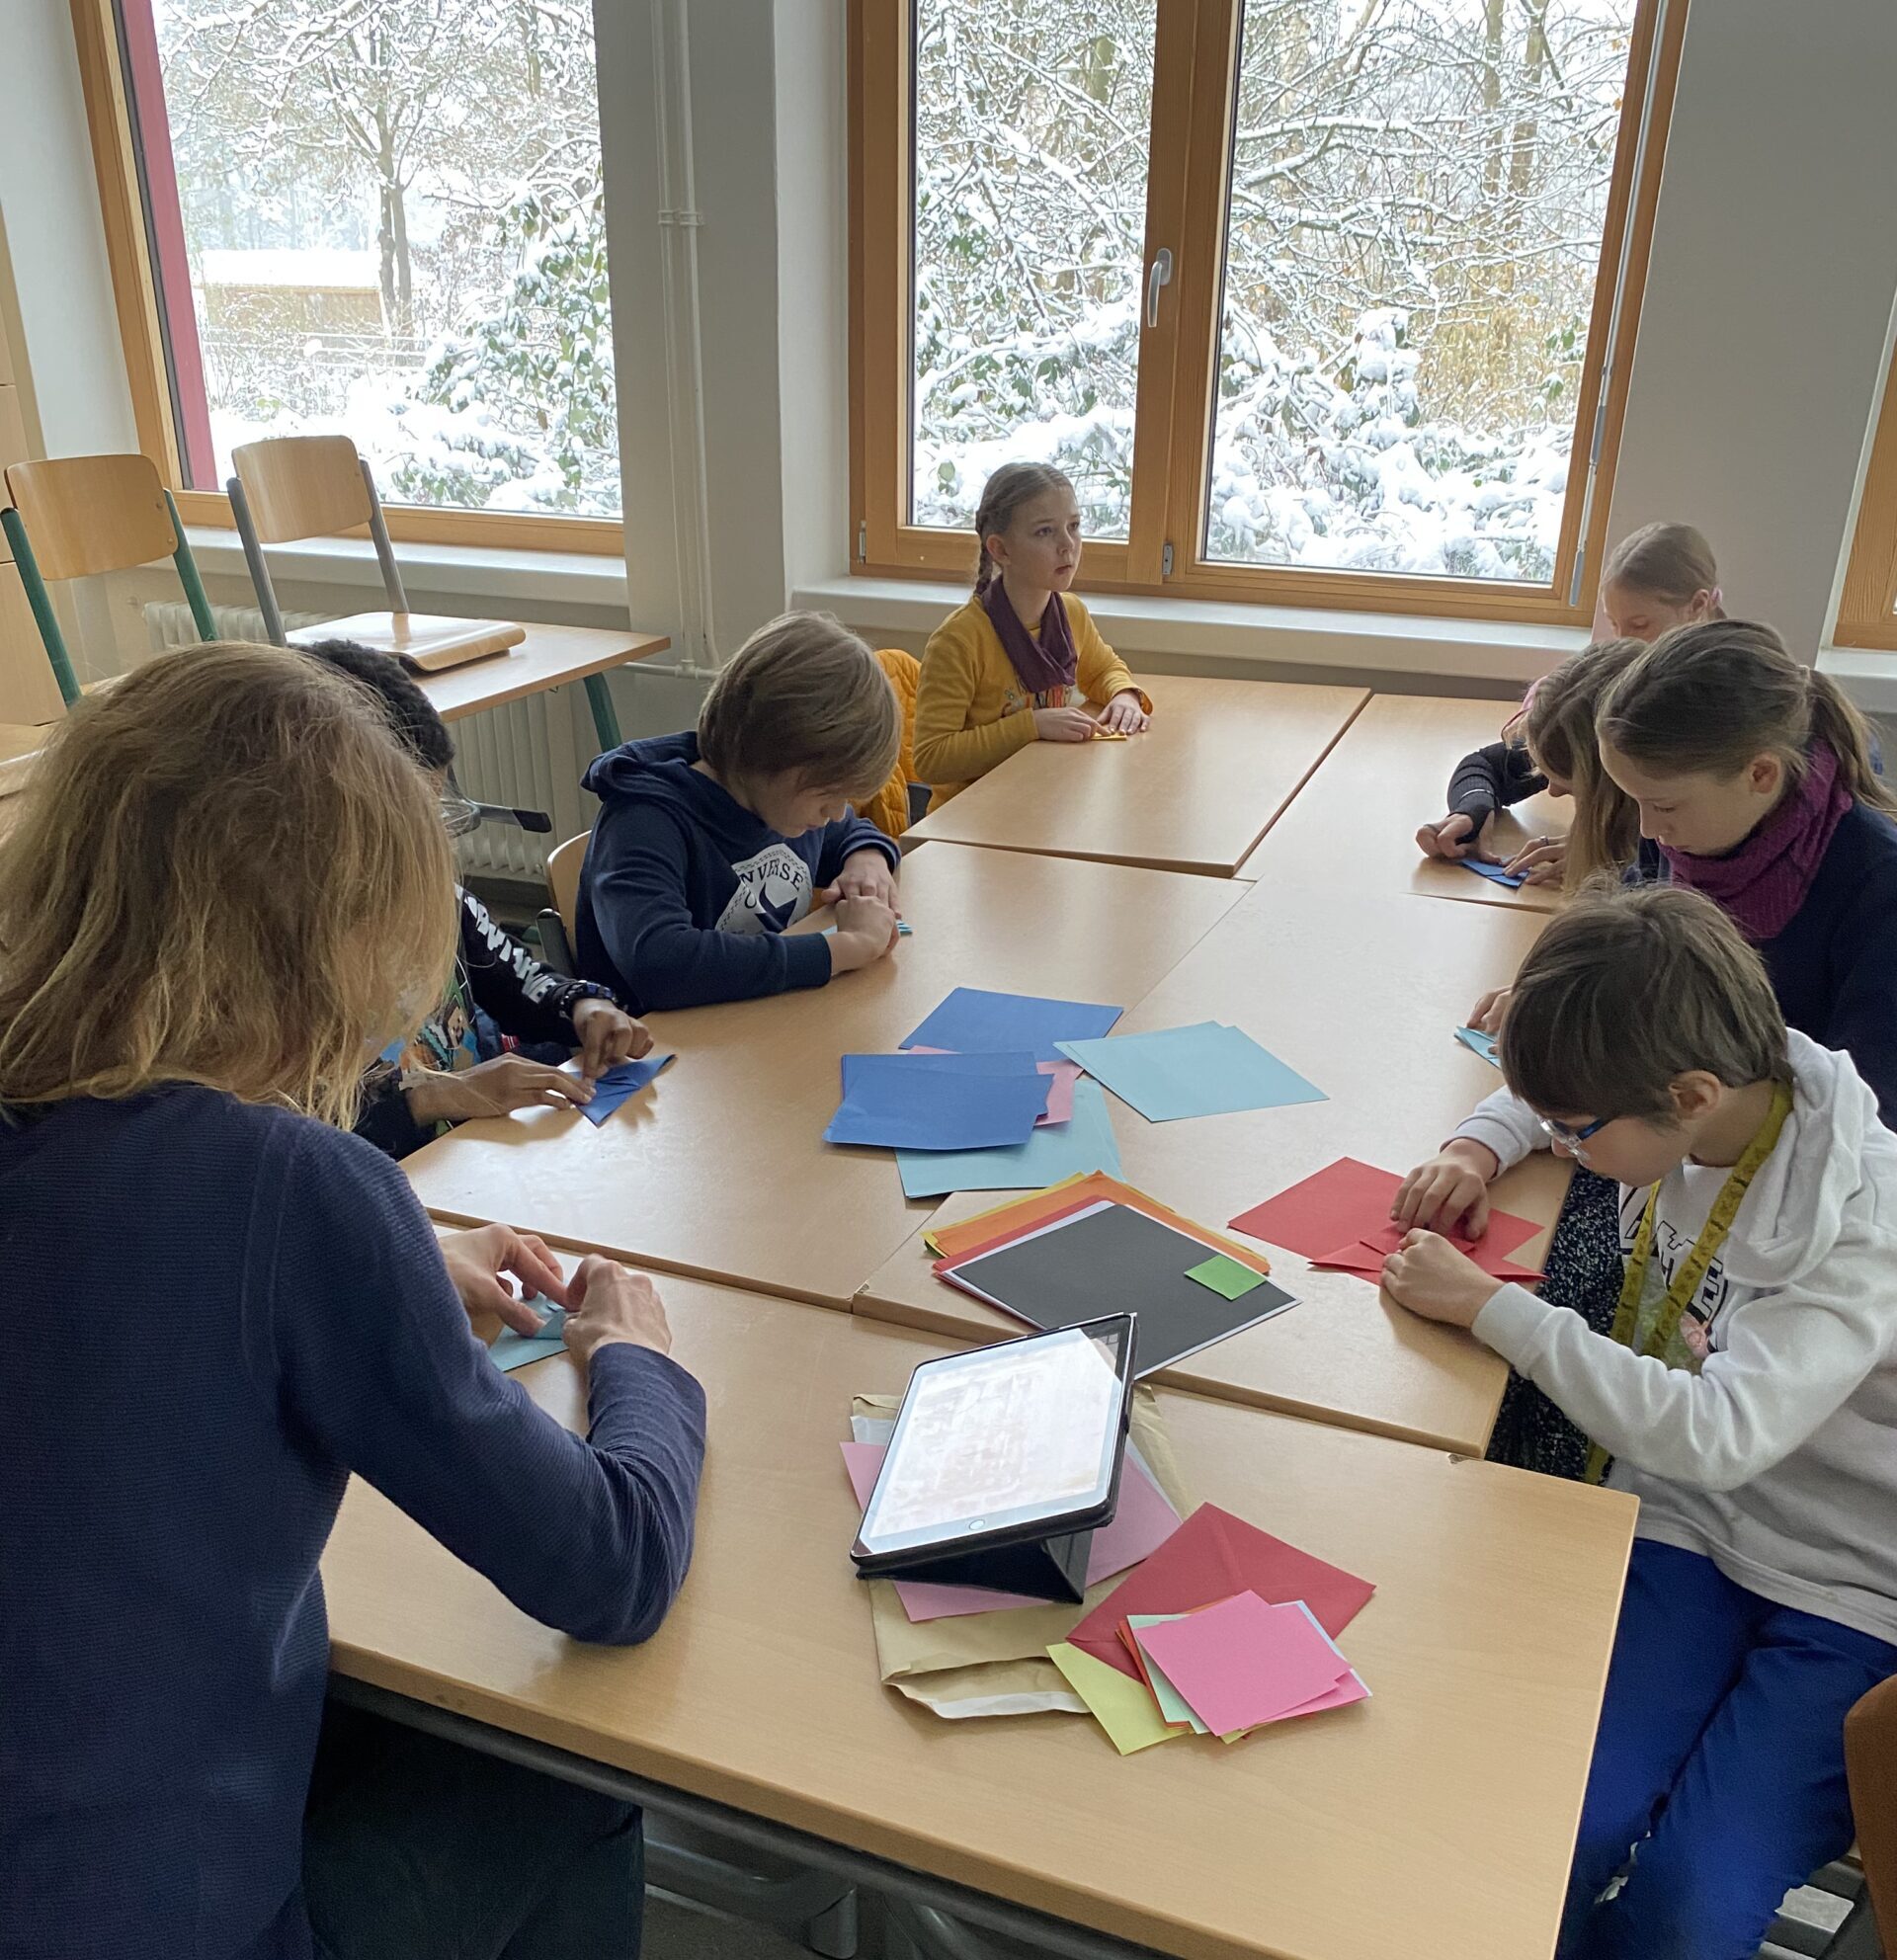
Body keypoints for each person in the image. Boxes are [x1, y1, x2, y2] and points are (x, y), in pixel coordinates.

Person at [0, 643, 706, 1960]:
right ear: (334, 942)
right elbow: (609, 1568)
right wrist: (639, 1365)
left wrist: (398, 1261)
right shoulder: (289, 1186)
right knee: (567, 1771)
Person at [1381, 884, 1897, 1960]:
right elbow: (1569, 1093)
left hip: (1853, 1585)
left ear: (1691, 1096)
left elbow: (1718, 1435)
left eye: (1575, 1132)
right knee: (1550, 1830)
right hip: (1688, 1522)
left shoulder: (1855, 1227)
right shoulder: (1719, 1083)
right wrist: (1479, 1145)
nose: (1562, 1146)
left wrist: (1496, 1310)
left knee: (1690, 1904)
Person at [294, 637, 653, 1158]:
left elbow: (518, 983)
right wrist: (434, 1098)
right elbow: (288, 1137)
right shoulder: (280, 965)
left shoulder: (445, 903)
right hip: (394, 1176)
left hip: (474, 1160)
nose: (430, 844)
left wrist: (582, 1005)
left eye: (436, 812)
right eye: (407, 823)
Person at [576, 612, 903, 1013]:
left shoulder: (779, 803)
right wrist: (842, 948)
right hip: (655, 1042)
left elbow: (848, 832)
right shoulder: (643, 820)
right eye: (828, 795)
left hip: (754, 1022)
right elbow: (661, 964)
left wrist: (867, 857)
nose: (836, 813)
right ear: (774, 753)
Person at [1416, 523, 1722, 873]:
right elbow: (1485, 765)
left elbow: (1684, 870)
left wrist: (1612, 859)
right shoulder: (1606, 701)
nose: (1623, 640)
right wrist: (1472, 809)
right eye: (1613, 624)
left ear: (1697, 606)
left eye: (1639, 625)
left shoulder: (1696, 739)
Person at [913, 461, 1151, 809]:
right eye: (1045, 532)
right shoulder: (959, 641)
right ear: (1000, 550)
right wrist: (1032, 726)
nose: (1067, 545)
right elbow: (931, 758)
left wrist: (1124, 695)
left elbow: (1103, 670)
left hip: (1042, 798)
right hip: (969, 816)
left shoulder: (1070, 612)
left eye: (1074, 526)